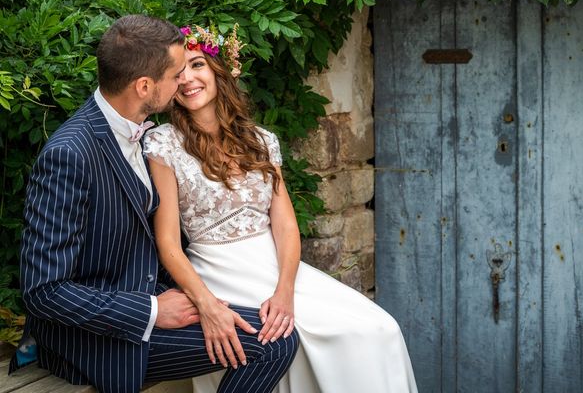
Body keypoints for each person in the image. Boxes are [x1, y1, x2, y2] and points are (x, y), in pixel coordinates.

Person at [9, 15, 299, 393]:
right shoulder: (70, 154)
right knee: (273, 344)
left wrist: (187, 297)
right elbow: (43, 292)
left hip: (155, 293)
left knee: (270, 330)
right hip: (99, 335)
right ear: (145, 86)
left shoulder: (145, 137)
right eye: (177, 73)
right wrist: (152, 311)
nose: (184, 81)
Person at [144, 24, 418, 393]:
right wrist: (207, 305)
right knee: (304, 339)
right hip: (218, 271)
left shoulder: (260, 141)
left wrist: (284, 291)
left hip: (276, 268)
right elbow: (168, 245)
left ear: (219, 71)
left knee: (379, 330)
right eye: (178, 74)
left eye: (197, 65)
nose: (188, 79)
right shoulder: (164, 144)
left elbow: (286, 226)